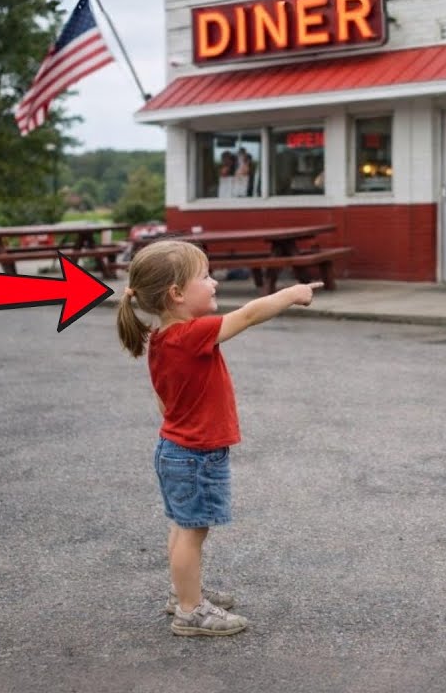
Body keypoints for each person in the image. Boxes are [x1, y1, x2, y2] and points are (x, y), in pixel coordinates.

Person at [116, 240, 318, 636]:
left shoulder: (161, 339)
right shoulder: (191, 334)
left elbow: (163, 399)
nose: (214, 283)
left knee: (181, 525)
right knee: (193, 531)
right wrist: (293, 293)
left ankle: (183, 593)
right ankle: (191, 611)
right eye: (205, 277)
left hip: (174, 449)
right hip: (196, 455)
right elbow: (248, 315)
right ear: (176, 294)